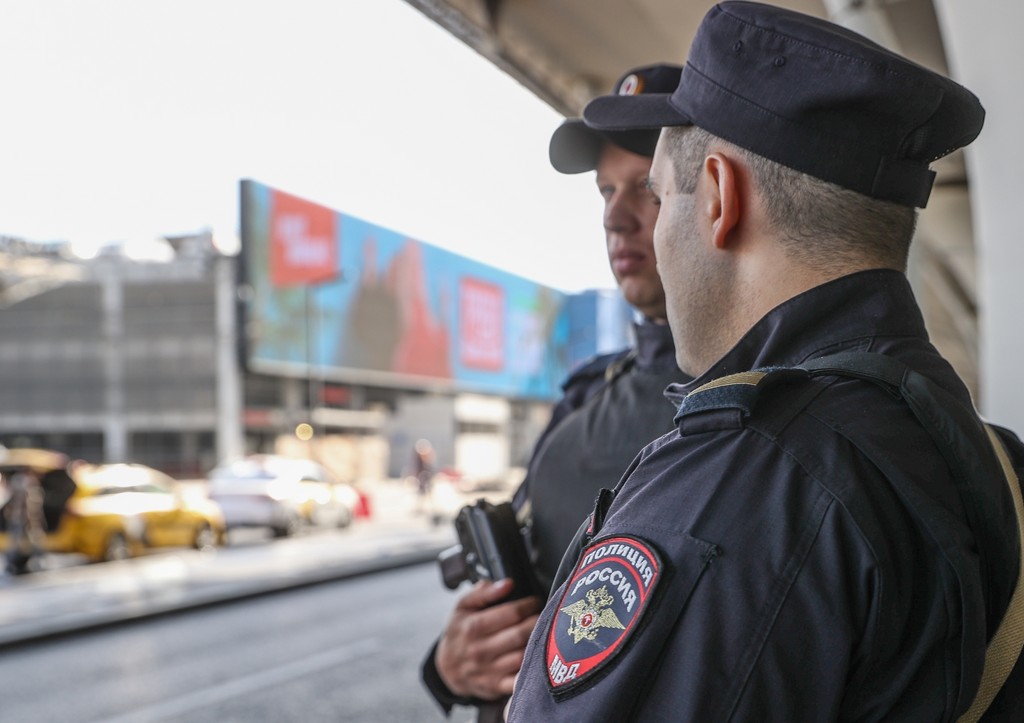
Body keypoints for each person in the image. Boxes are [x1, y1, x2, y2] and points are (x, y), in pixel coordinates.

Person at [506, 3, 1024, 720]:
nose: (647, 231)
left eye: (659, 194)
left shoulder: (741, 484)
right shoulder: (989, 454)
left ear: (720, 197)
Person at [421, 63, 690, 721]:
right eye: (605, 192)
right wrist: (450, 665)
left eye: (646, 188)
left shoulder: (756, 402)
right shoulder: (587, 391)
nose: (616, 219)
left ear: (713, 193)